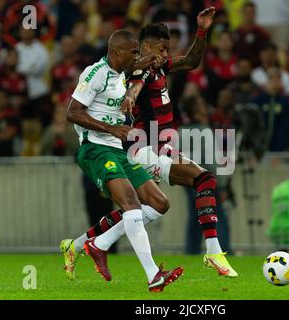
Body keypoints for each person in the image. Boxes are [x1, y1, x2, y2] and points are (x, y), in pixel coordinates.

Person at [82, 9, 238, 278]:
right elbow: (135, 84)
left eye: (168, 49)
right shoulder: (140, 69)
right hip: (143, 148)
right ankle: (213, 251)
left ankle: (97, 242)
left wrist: (202, 30)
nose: (166, 54)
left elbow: (190, 61)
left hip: (158, 146)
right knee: (204, 180)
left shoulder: (158, 67)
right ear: (144, 47)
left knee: (155, 206)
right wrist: (130, 97)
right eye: (162, 48)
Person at [60, 29, 183, 292]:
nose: (136, 56)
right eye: (134, 52)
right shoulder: (95, 73)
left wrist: (150, 60)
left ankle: (96, 244)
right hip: (96, 149)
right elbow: (72, 112)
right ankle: (153, 276)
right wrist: (112, 129)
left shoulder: (121, 73)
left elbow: (137, 66)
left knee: (160, 203)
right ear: (116, 52)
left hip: (118, 149)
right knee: (131, 204)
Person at [178, 95, 232, 255]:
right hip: (206, 180)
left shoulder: (181, 132)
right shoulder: (205, 131)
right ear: (195, 109)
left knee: (195, 218)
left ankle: (191, 251)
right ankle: (223, 251)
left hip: (189, 181)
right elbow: (212, 162)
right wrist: (221, 185)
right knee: (218, 217)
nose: (204, 106)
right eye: (200, 103)